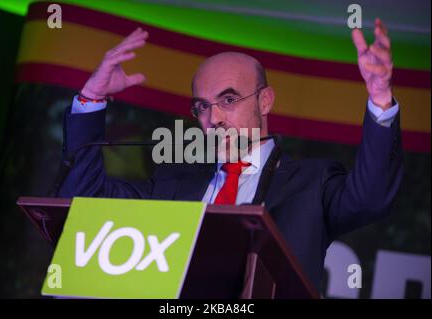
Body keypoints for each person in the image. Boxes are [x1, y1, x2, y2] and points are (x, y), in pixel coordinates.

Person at [57, 19, 403, 291]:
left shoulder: (311, 182)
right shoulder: (173, 183)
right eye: (202, 106)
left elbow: (370, 200)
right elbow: (83, 202)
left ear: (264, 101)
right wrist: (91, 98)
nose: (214, 118)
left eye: (228, 100)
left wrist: (380, 99)